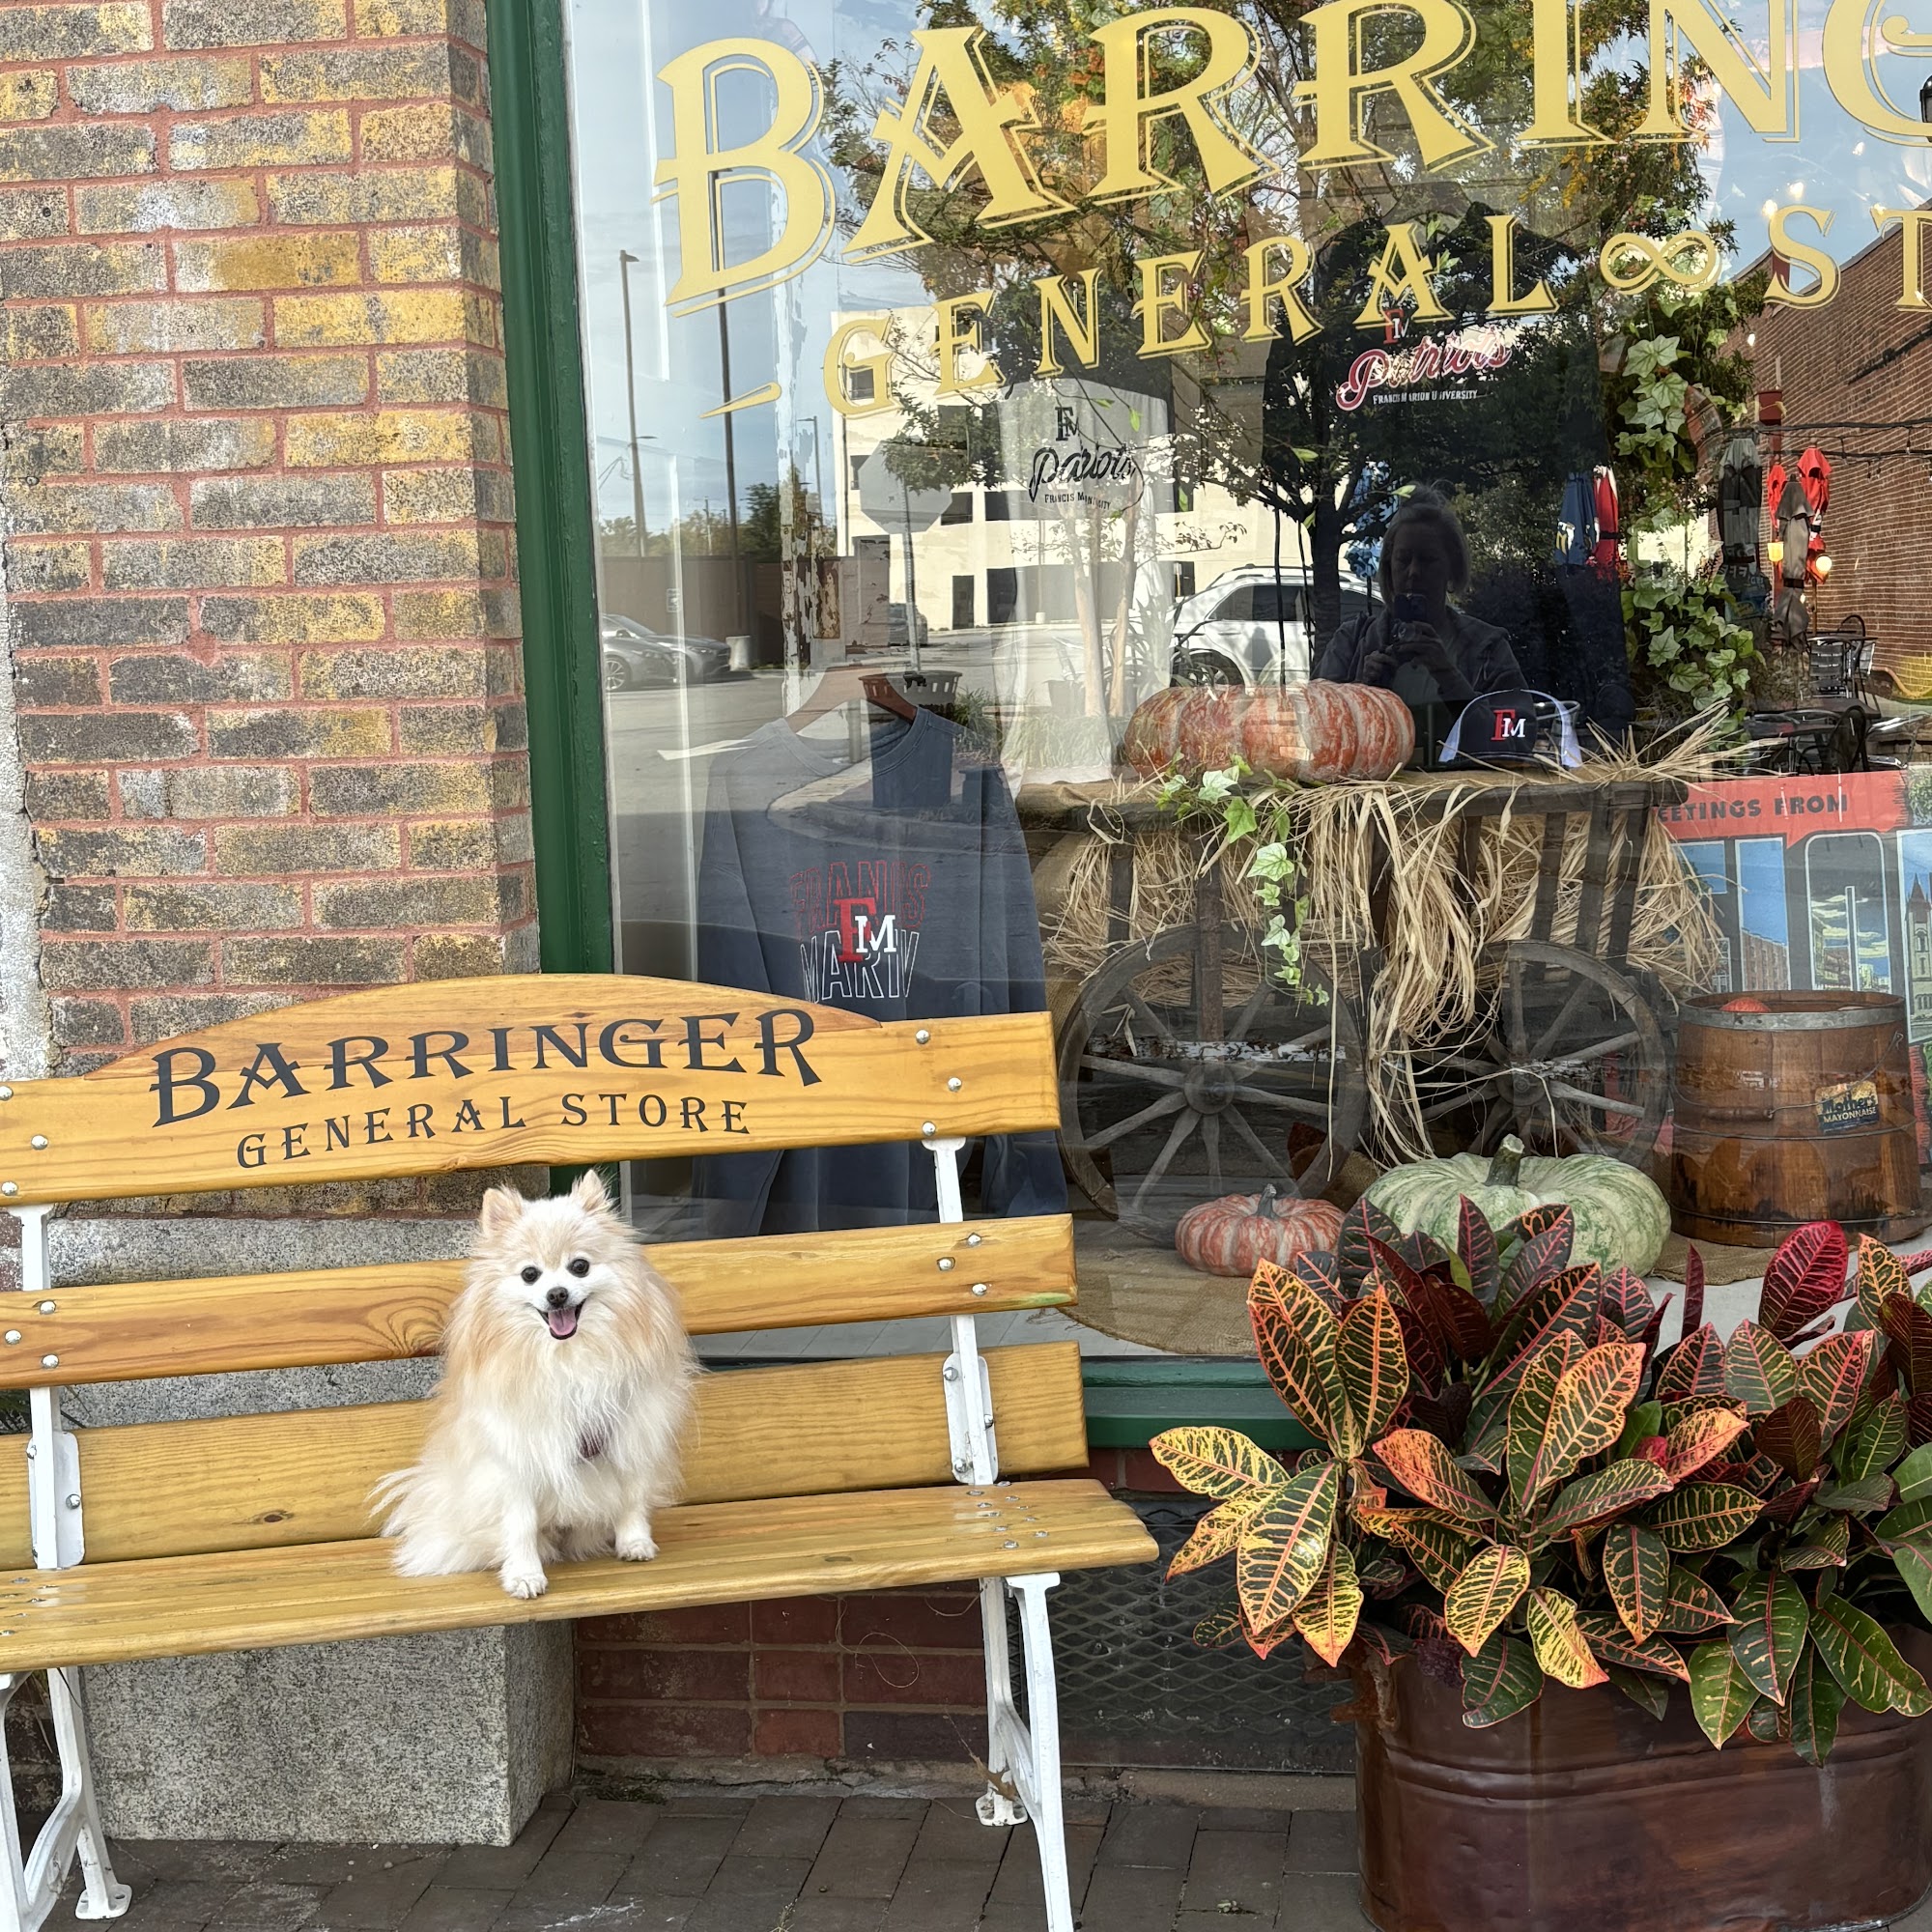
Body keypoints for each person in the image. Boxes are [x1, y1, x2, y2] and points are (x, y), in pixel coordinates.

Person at [1315, 492, 1524, 708]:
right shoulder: (1350, 642)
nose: (1414, 572)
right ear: (1388, 567)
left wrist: (1449, 677)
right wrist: (1362, 689)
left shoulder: (1488, 648)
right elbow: (1317, 724)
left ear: (1452, 568)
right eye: (1403, 559)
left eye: (1428, 560)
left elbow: (1513, 738)